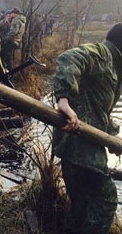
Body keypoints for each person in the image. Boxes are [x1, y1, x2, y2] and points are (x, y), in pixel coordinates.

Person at [53, 23, 122, 234]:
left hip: (83, 145)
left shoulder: (115, 65)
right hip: (78, 146)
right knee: (106, 200)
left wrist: (111, 134)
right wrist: (63, 99)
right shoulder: (103, 55)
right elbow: (69, 58)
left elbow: (95, 107)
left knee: (80, 207)